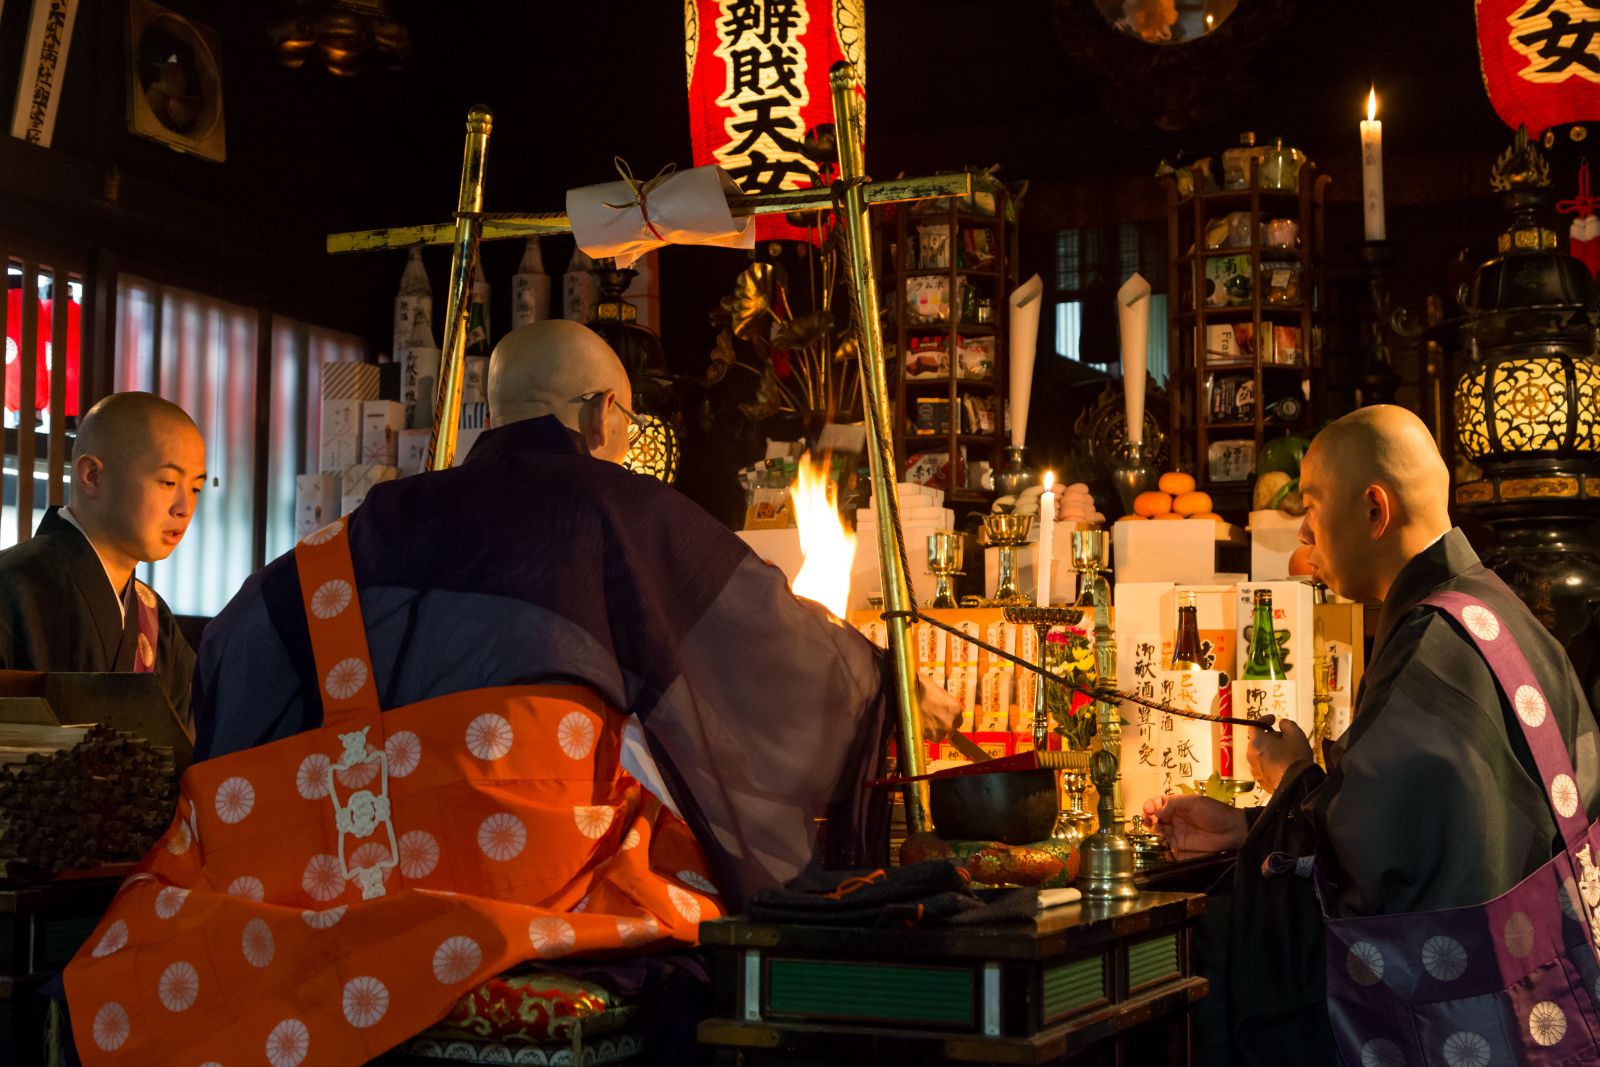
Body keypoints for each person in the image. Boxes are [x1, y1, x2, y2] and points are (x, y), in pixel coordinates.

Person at [65, 320, 958, 1066]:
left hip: (329, 876)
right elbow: (776, 660)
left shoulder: (378, 516)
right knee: (677, 857)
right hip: (521, 869)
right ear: (606, 414)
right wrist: (883, 685)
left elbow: (234, 642)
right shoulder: (610, 504)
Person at [1143, 405, 1600, 1065]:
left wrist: (1292, 778)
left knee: (1215, 946)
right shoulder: (1499, 612)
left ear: (1375, 510)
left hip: (1466, 1019)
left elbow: (1362, 868)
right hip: (1549, 988)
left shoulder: (1431, 647)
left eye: (1312, 504)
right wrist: (1252, 826)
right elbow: (1430, 824)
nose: (1304, 531)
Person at [0, 391, 204, 727]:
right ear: (92, 475)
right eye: (168, 481)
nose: (184, 507)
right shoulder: (12, 587)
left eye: (195, 488)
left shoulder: (154, 617)